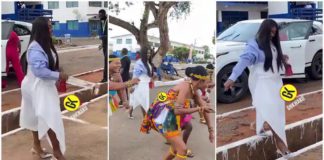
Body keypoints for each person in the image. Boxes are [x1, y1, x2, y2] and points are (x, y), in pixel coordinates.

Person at [224, 19, 291, 157]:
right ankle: (281, 145)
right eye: (270, 32)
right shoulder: (254, 45)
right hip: (262, 84)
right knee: (272, 112)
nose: (272, 35)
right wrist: (232, 77)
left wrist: (282, 58)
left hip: (276, 83)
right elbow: (245, 60)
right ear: (264, 31)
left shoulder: (274, 44)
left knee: (276, 110)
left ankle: (257, 127)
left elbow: (272, 58)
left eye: (275, 33)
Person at [141, 66, 215, 160]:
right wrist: (198, 109)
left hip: (171, 116)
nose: (209, 85)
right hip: (164, 117)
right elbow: (177, 111)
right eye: (207, 82)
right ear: (200, 81)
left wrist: (211, 130)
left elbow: (205, 108)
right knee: (182, 149)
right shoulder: (185, 87)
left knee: (177, 148)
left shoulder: (194, 90)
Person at [19, 17, 68, 160]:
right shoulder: (35, 47)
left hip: (39, 85)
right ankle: (57, 151)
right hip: (37, 87)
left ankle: (36, 146)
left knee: (35, 116)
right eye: (49, 26)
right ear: (41, 29)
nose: (51, 28)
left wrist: (57, 70)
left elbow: (47, 64)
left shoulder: (44, 43)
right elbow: (39, 71)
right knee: (50, 116)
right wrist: (58, 75)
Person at [128, 47, 154, 119]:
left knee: (138, 100)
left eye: (149, 53)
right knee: (143, 101)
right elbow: (136, 76)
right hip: (139, 84)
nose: (148, 54)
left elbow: (148, 75)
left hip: (145, 85)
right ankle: (145, 118)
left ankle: (130, 113)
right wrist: (133, 87)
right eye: (146, 53)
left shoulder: (147, 62)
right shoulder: (139, 63)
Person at [98, 9, 108, 83]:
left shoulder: (107, 21)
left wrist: (104, 37)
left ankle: (105, 78)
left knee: (106, 61)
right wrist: (102, 44)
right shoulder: (102, 22)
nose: (99, 16)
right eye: (99, 15)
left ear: (104, 14)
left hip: (108, 44)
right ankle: (106, 77)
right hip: (104, 44)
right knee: (106, 60)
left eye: (101, 15)